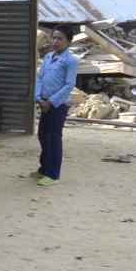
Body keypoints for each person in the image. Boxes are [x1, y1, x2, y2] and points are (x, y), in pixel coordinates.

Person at [31, 25, 79, 186]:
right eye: (54, 37)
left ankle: (53, 174)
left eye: (60, 39)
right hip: (43, 102)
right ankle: (43, 169)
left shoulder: (70, 61)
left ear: (69, 42)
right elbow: (40, 78)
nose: (56, 41)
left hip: (58, 105)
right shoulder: (48, 57)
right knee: (43, 135)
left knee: (54, 137)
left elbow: (69, 85)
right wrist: (38, 98)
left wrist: (51, 102)